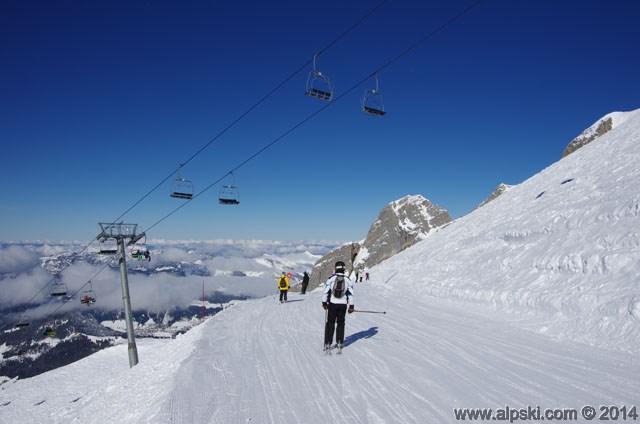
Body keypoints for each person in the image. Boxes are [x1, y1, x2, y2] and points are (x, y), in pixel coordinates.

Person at [322, 261, 354, 352]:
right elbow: (351, 294)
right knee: (340, 323)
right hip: (343, 305)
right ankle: (340, 341)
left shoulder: (331, 279)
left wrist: (324, 303)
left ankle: (328, 342)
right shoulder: (347, 280)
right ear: (343, 268)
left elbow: (325, 292)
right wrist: (351, 306)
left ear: (336, 268)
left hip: (332, 304)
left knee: (330, 323)